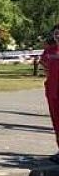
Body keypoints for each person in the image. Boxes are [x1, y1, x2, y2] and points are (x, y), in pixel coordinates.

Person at [38, 24, 59, 164]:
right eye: (56, 33)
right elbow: (44, 68)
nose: (57, 36)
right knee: (56, 122)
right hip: (52, 91)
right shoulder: (49, 51)